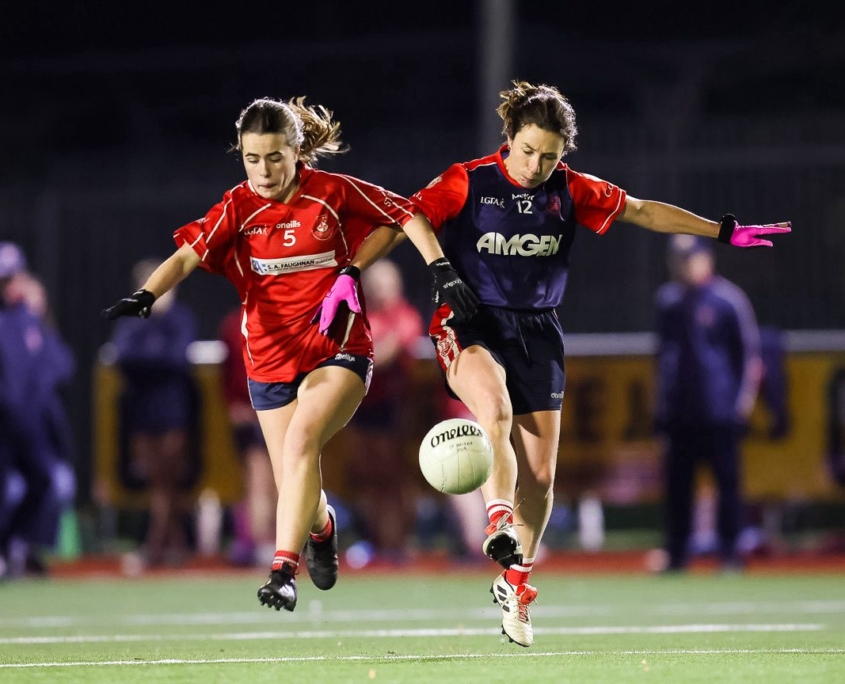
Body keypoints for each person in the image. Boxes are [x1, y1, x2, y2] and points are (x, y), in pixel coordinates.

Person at [388, 81, 790, 647]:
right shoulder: (469, 179)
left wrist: (721, 231)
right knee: (493, 405)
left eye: (550, 155)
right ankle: (498, 519)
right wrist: (439, 269)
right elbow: (410, 213)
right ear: (509, 138)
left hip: (539, 330)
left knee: (544, 477)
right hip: (470, 321)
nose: (536, 164)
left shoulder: (571, 190)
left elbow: (645, 212)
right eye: (528, 150)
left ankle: (516, 585)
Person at [102, 96, 432, 612]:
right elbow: (190, 253)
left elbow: (403, 214)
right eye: (252, 158)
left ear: (297, 150)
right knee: (294, 473)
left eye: (274, 156)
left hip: (338, 351)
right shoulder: (237, 206)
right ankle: (321, 526)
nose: (263, 170)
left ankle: (282, 568)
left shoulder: (331, 193)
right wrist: (149, 293)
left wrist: (355, 269)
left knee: (302, 441)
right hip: (269, 363)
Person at [654, 235, 763, 573]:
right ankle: (676, 554)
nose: (682, 266)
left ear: (706, 260)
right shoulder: (668, 301)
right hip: (679, 413)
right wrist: (662, 404)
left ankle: (730, 554)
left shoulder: (727, 300)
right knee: (677, 488)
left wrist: (741, 403)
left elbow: (748, 355)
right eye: (677, 259)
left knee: (728, 485)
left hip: (719, 411)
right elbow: (663, 359)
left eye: (689, 258)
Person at [109, 258, 199, 568]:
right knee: (157, 481)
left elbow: (177, 358)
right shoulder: (132, 320)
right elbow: (123, 357)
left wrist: (147, 363)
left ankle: (153, 546)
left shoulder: (179, 319)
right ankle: (176, 544)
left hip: (173, 412)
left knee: (168, 480)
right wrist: (153, 361)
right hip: (141, 414)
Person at [0, 243, 76, 577]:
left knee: (43, 482)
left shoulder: (28, 320)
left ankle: (13, 545)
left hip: (27, 427)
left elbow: (61, 366)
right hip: (4, 424)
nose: (12, 284)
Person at [342, 258, 424, 559]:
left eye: (385, 285)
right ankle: (377, 540)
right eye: (375, 285)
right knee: (368, 477)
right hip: (359, 407)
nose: (380, 291)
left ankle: (398, 541)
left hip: (392, 407)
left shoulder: (404, 315)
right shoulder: (358, 315)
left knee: (392, 478)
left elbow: (386, 353)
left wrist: (357, 359)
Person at [217, 307, 275, 566]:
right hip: (253, 413)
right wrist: (234, 404)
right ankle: (261, 543)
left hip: (282, 411)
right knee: (258, 478)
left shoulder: (293, 316)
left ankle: (271, 542)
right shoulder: (233, 324)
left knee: (278, 481)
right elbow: (229, 373)